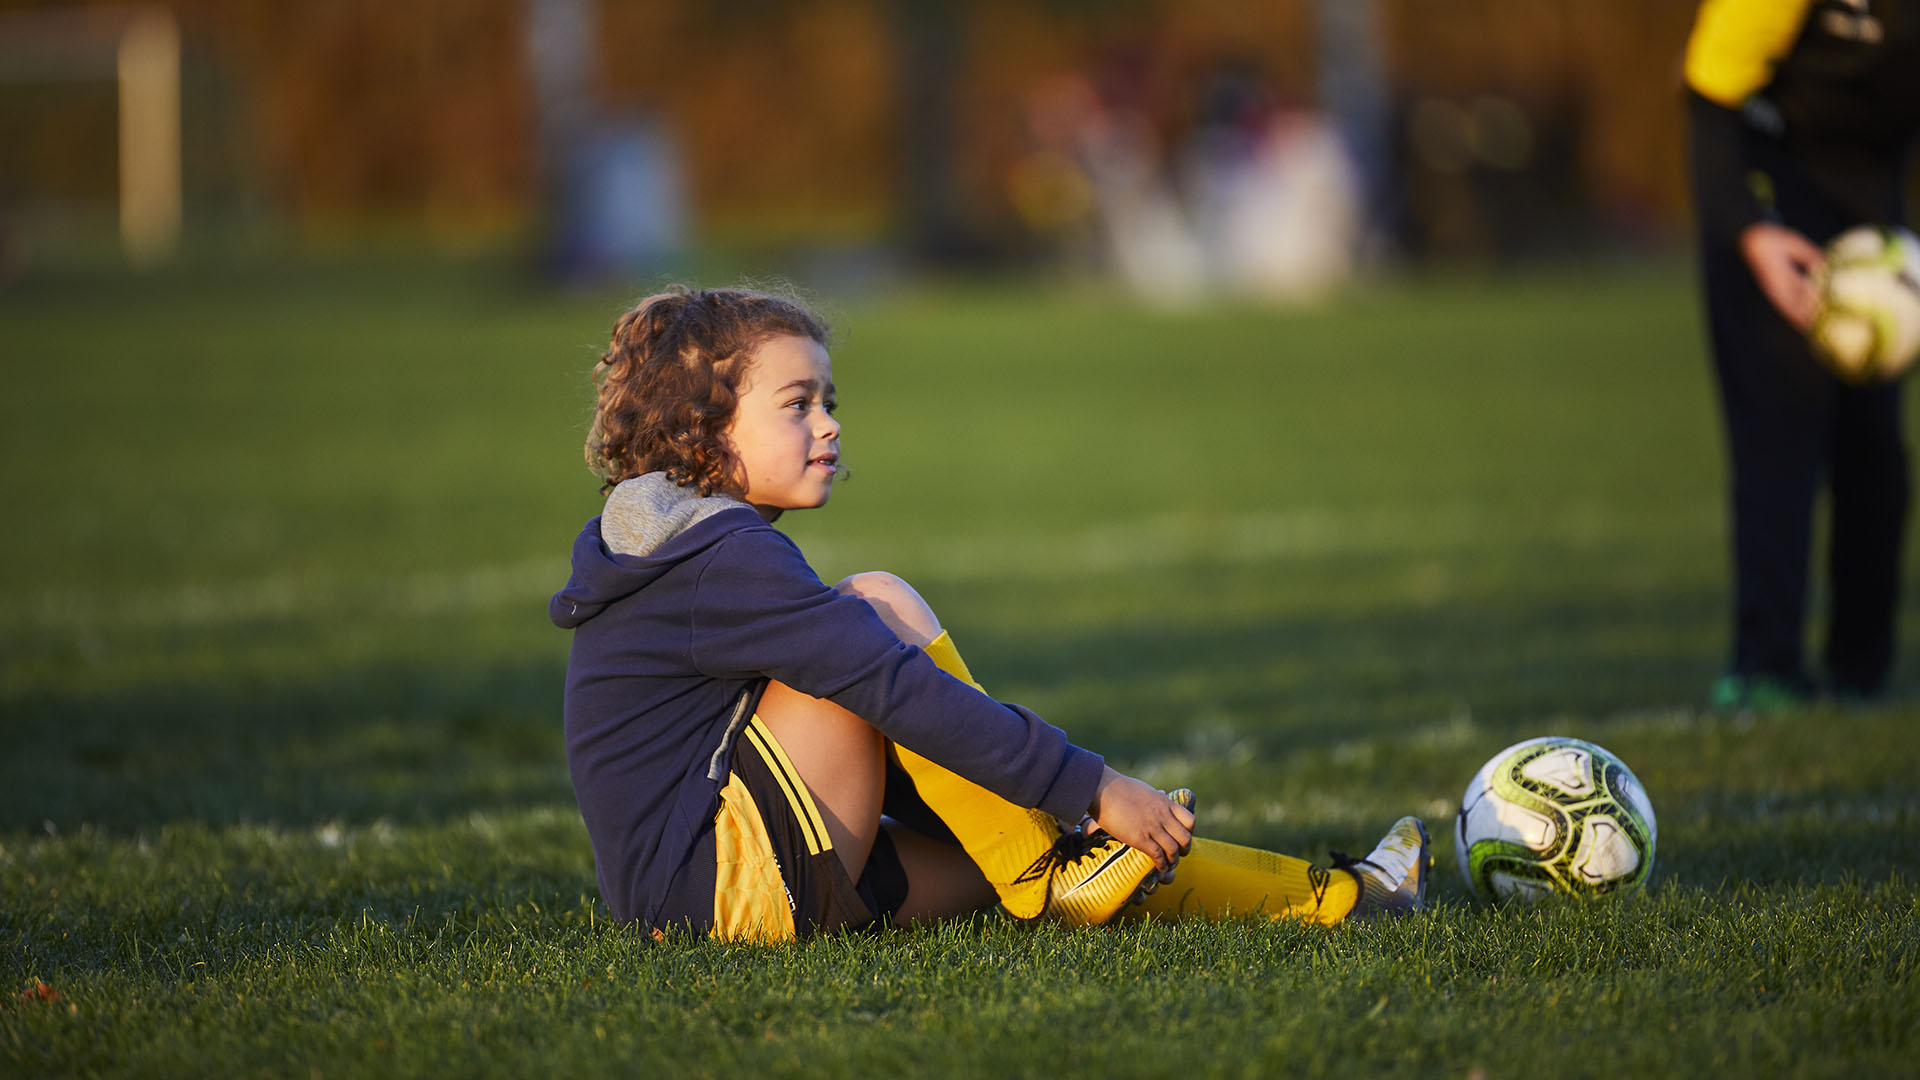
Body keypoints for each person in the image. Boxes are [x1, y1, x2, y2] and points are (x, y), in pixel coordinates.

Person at [550, 286, 1430, 940]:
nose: (828, 426)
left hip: (707, 897)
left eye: (830, 402)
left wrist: (1062, 811)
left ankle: (1346, 897)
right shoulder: (723, 558)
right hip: (721, 890)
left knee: (1085, 862)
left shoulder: (680, 541)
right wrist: (1089, 785)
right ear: (706, 432)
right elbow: (891, 687)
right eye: (797, 405)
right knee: (877, 607)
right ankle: (1047, 865)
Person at [1684, 0, 1920, 709]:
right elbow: (1708, 91)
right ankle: (1764, 668)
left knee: (1874, 445)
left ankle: (1861, 671)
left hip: (1874, 192)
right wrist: (1749, 230)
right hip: (1770, 180)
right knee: (1778, 431)